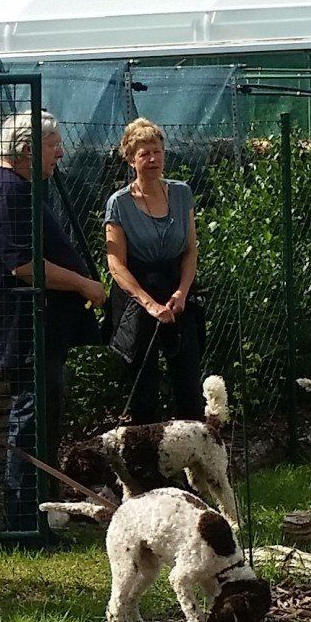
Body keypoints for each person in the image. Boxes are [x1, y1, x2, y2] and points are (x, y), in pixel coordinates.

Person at [0, 111, 107, 534]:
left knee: (41, 419)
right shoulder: (8, 190)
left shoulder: (17, 186)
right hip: (24, 328)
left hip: (38, 327)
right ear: (27, 149)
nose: (60, 154)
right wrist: (83, 284)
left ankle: (40, 518)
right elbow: (23, 265)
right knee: (30, 422)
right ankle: (23, 523)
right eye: (53, 146)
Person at [103, 117, 205, 423]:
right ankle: (147, 450)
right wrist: (149, 305)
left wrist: (182, 292)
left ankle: (192, 448)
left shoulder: (182, 193)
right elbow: (115, 264)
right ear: (131, 159)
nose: (152, 159)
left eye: (157, 151)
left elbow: (190, 250)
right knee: (143, 392)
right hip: (137, 296)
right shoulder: (119, 203)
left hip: (177, 292)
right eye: (144, 153)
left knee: (188, 384)